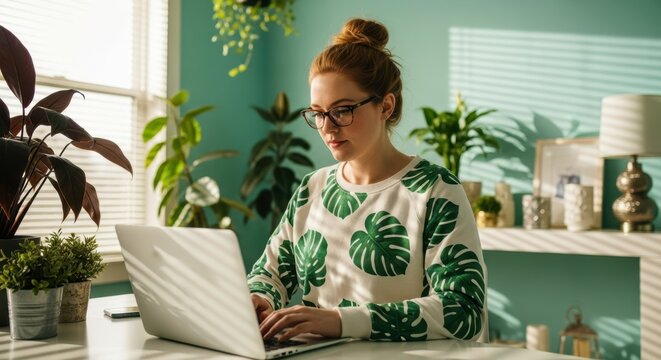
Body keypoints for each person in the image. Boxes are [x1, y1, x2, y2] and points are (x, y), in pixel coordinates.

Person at [248, 18, 486, 343]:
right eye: (318, 113)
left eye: (342, 111)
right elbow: (270, 274)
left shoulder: (435, 190)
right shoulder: (312, 189)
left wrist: (340, 321)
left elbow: (463, 309)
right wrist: (258, 299)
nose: (327, 128)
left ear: (385, 106)